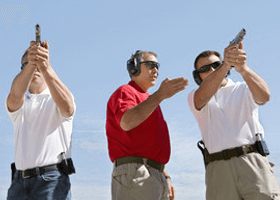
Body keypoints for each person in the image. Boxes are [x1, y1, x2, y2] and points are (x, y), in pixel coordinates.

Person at [188, 43, 280, 200]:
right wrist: (224, 65)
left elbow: (264, 97)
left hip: (252, 162)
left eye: (215, 65)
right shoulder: (195, 96)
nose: (211, 70)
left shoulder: (244, 88)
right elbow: (201, 97)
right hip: (218, 169)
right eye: (204, 69)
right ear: (197, 76)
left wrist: (243, 68)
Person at [106, 50, 188, 200]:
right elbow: (126, 122)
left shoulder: (150, 100)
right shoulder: (126, 91)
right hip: (136, 172)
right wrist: (160, 95)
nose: (155, 70)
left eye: (157, 66)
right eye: (150, 65)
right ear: (134, 67)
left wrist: (166, 177)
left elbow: (150, 148)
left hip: (155, 173)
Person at [6, 41, 76, 200]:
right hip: (19, 181)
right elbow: (14, 98)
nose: (33, 67)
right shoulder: (20, 101)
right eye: (28, 64)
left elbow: (67, 107)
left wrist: (45, 66)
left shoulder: (58, 97)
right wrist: (31, 64)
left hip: (52, 179)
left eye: (37, 62)